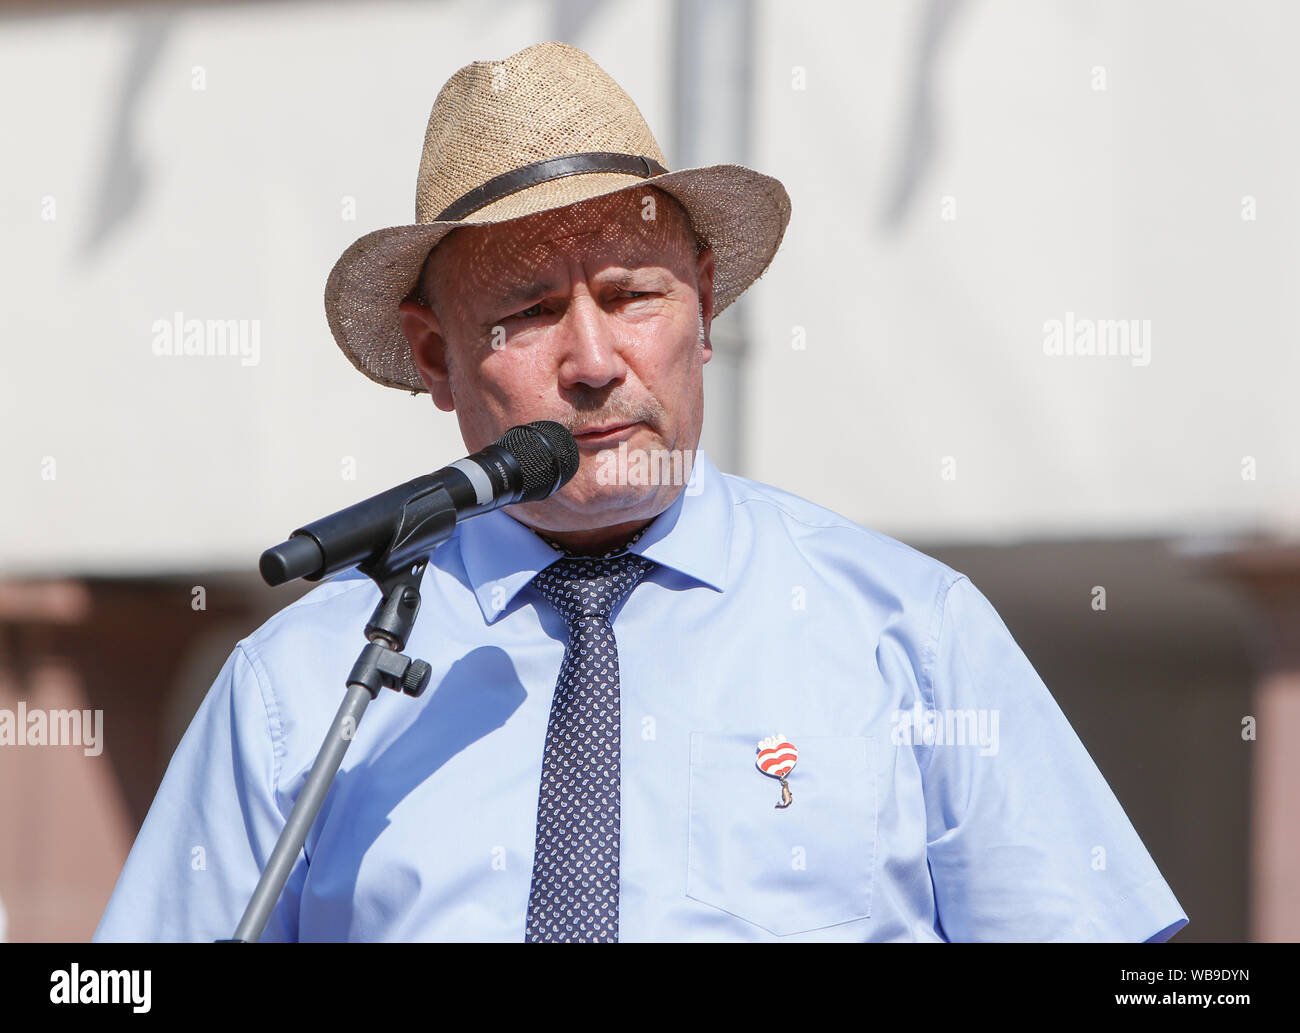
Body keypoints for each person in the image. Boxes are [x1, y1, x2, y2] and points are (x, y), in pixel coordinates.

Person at [94, 41, 1188, 943]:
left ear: (705, 307)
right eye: (525, 311)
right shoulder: (304, 690)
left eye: (631, 296)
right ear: (434, 359)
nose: (594, 361)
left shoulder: (906, 628)